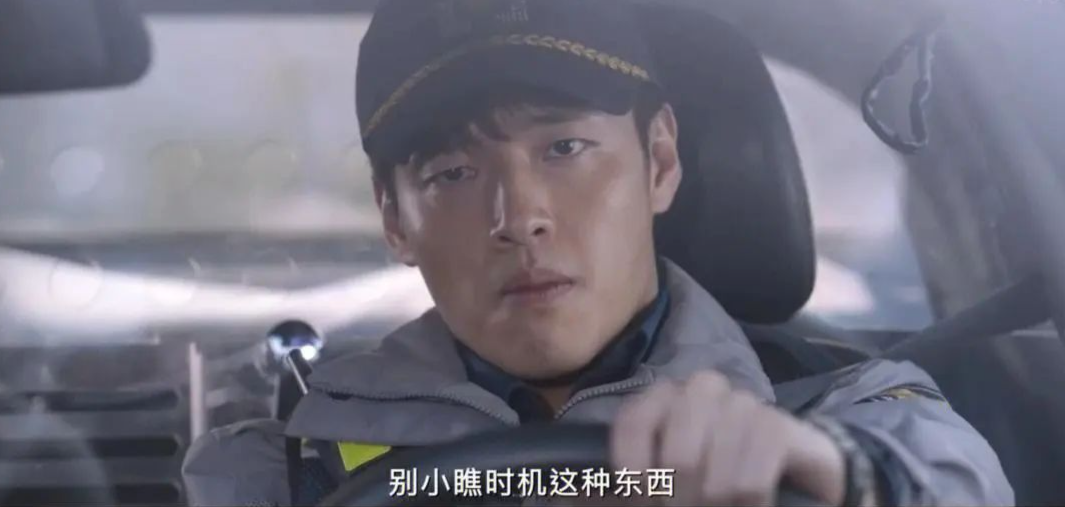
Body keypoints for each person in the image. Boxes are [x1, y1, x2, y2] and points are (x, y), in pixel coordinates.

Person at [183, 1, 1013, 505]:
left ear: (659, 161)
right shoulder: (287, 469)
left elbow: (949, 479)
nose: (519, 217)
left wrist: (835, 477)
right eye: (453, 172)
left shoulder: (838, 410)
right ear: (394, 220)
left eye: (565, 148)